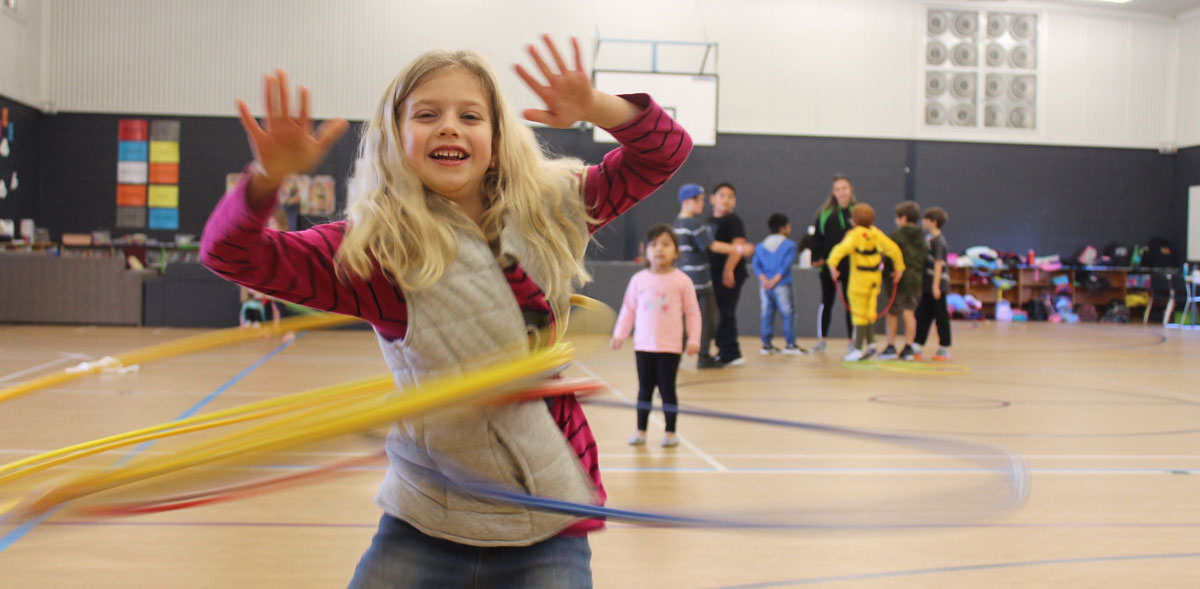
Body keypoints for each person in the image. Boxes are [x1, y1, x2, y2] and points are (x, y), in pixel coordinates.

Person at [199, 35, 691, 587]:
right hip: (426, 520)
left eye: (470, 115)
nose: (450, 127)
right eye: (427, 114)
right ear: (395, 137)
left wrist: (597, 107)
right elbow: (230, 254)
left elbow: (665, 151)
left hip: (548, 518)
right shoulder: (378, 252)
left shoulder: (554, 208)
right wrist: (266, 181)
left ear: (498, 136)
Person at [611, 224, 701, 448]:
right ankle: (641, 430)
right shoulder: (639, 280)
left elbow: (692, 312)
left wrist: (694, 339)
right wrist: (620, 333)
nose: (659, 249)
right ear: (645, 250)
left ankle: (670, 432)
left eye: (666, 244)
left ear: (676, 252)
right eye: (654, 245)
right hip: (643, 346)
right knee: (644, 389)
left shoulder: (682, 281)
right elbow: (628, 309)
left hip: (670, 347)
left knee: (667, 389)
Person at [826, 203, 905, 362]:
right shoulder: (876, 234)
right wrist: (899, 269)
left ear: (854, 219)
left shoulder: (854, 235)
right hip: (874, 280)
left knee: (859, 315)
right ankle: (871, 344)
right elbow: (893, 249)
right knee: (870, 313)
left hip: (858, 281)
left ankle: (857, 349)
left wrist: (832, 266)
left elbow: (840, 250)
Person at [673, 183, 722, 368]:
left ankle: (675, 354)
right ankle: (703, 355)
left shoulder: (677, 223)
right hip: (700, 281)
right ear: (687, 202)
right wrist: (739, 249)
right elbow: (712, 246)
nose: (702, 204)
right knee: (708, 318)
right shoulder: (693, 224)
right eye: (700, 200)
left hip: (684, 278)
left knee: (685, 319)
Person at [706, 182, 753, 366]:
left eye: (730, 196)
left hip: (730, 275)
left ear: (735, 202)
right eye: (722, 195)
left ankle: (731, 352)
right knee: (717, 313)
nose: (726, 199)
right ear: (712, 199)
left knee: (726, 312)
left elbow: (738, 247)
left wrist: (728, 269)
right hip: (713, 274)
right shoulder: (710, 221)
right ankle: (722, 349)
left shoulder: (733, 220)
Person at [809, 175, 856, 353]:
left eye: (844, 188)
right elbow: (817, 239)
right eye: (837, 189)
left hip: (852, 266)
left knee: (851, 303)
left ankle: (853, 341)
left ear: (851, 189)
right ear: (833, 192)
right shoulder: (825, 214)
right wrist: (817, 258)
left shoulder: (858, 212)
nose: (841, 192)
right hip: (829, 266)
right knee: (826, 302)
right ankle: (821, 340)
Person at [878, 201, 927, 361]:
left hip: (898, 281)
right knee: (909, 312)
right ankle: (908, 346)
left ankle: (891, 346)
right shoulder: (922, 238)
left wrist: (887, 274)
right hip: (915, 280)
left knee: (893, 313)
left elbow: (890, 256)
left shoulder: (896, 236)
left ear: (903, 218)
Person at [752, 213, 804, 355]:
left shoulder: (761, 246)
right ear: (783, 228)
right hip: (782, 284)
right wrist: (775, 280)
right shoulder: (789, 245)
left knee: (767, 313)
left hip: (764, 286)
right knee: (788, 313)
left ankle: (766, 344)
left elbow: (756, 264)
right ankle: (790, 344)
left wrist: (764, 279)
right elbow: (786, 265)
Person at [914, 207, 952, 361]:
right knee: (923, 314)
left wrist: (936, 286)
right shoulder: (929, 239)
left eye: (926, 219)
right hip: (927, 286)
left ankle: (944, 347)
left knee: (940, 316)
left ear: (933, 222)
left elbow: (938, 264)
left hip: (937, 286)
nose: (923, 222)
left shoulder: (939, 242)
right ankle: (917, 344)